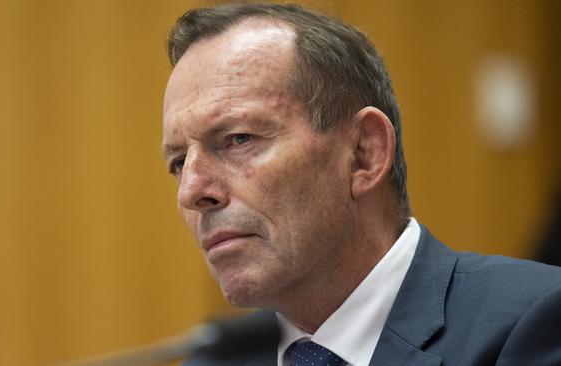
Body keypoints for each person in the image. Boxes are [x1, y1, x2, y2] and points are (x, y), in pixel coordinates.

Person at [161, 3, 561, 365]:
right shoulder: (215, 361)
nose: (192, 192)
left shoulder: (532, 322)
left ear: (363, 153)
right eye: (179, 162)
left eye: (238, 139)